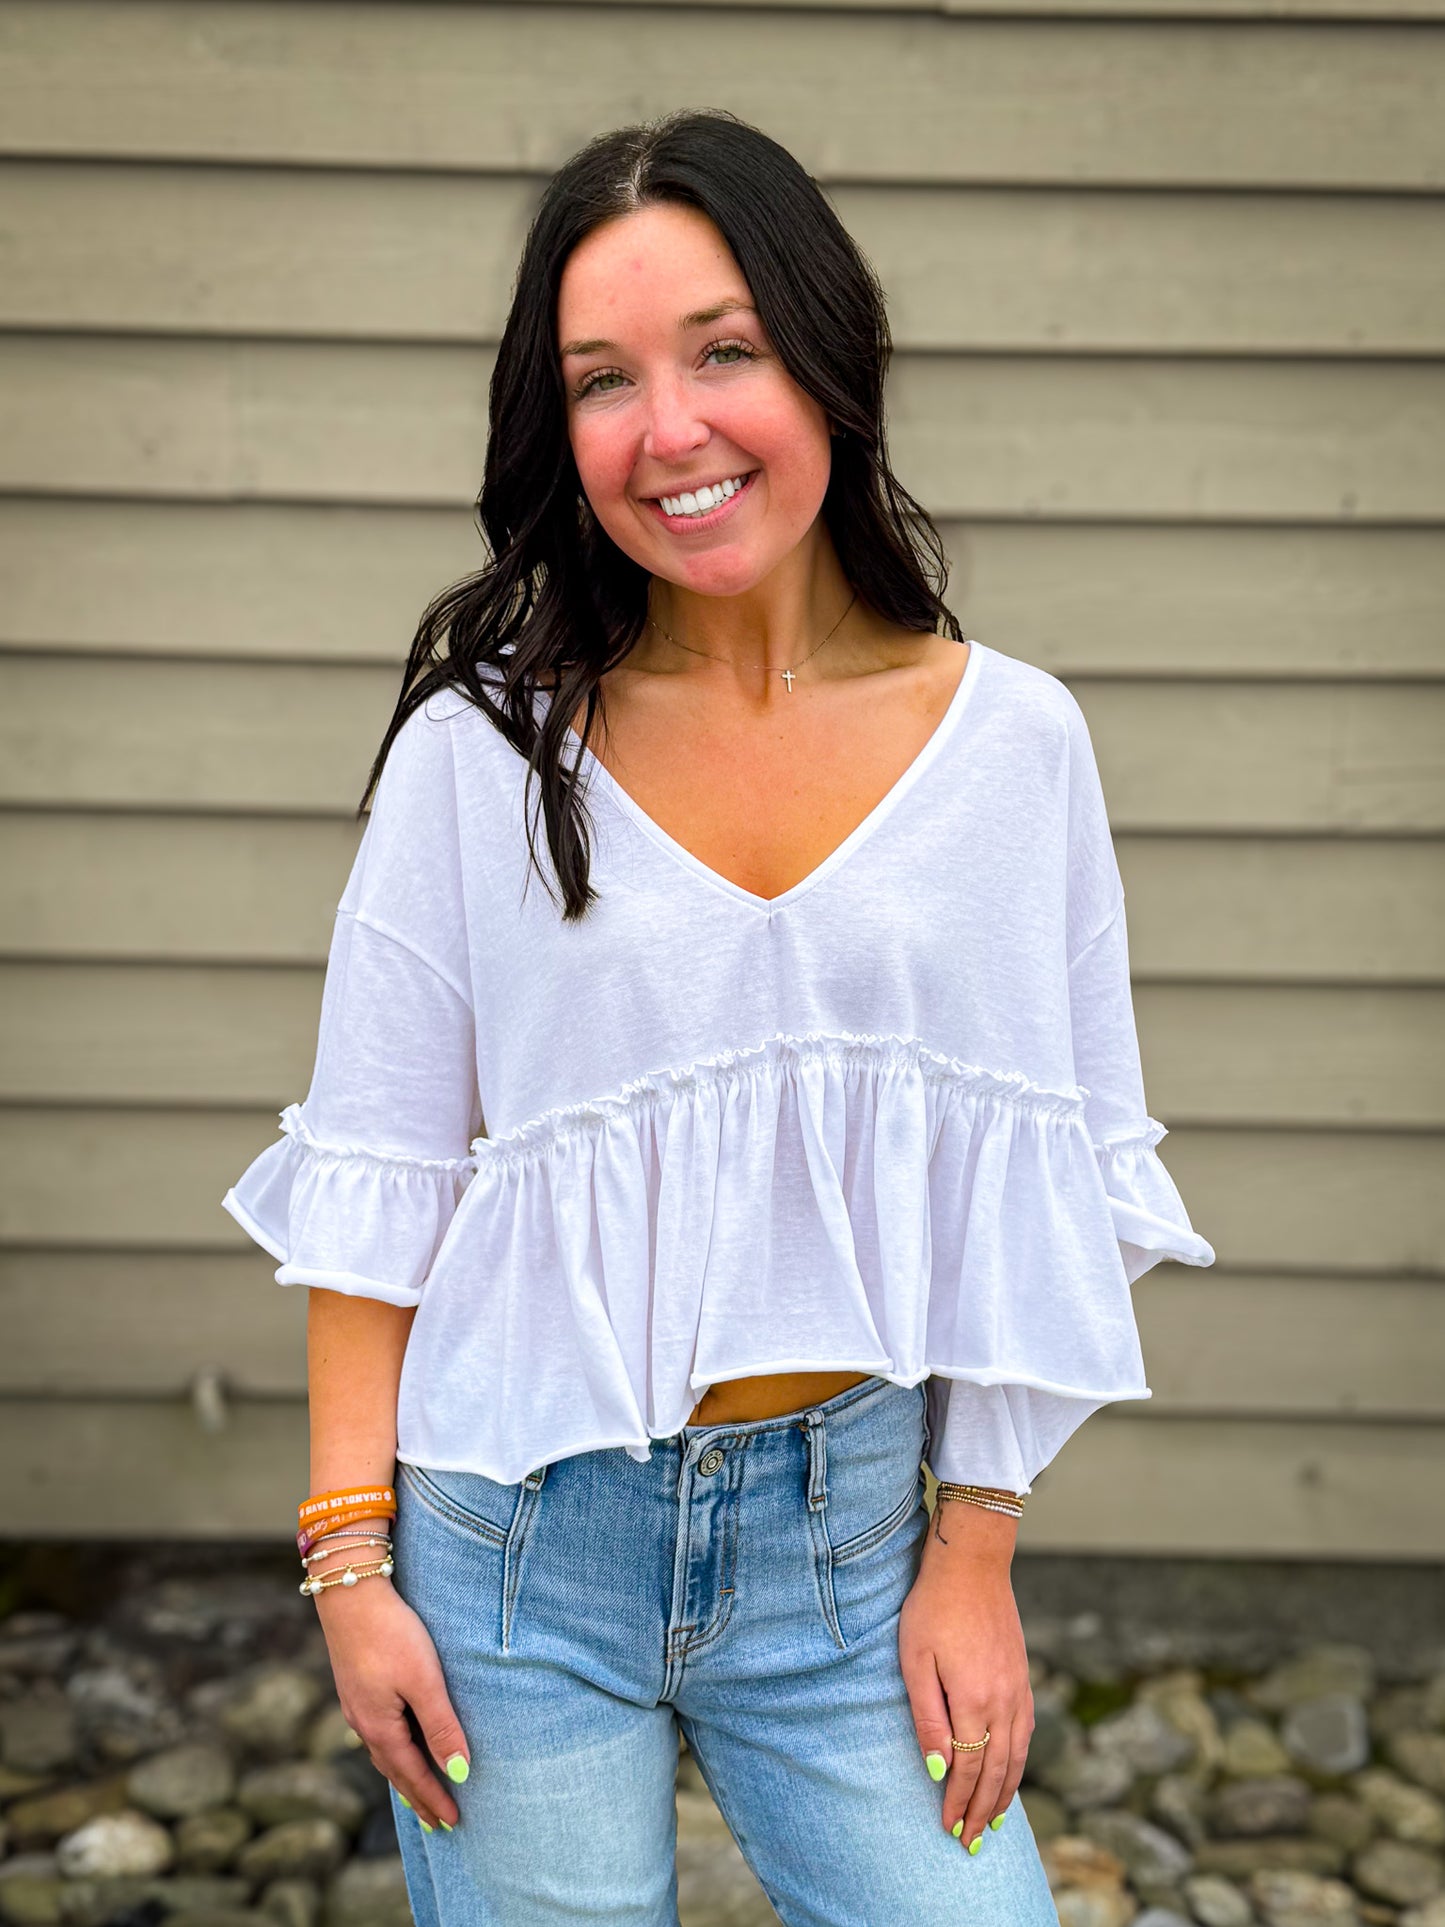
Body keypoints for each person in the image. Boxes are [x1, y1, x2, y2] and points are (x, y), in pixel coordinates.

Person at [221, 108, 1215, 1925]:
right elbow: (380, 1174)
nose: (666, 429)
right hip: (509, 1552)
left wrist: (972, 1547)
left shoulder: (1014, 747)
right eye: (602, 380)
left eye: (724, 352)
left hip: (845, 1553)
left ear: (829, 359)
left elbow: (1044, 1175)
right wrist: (352, 1566)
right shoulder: (481, 755)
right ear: (559, 428)